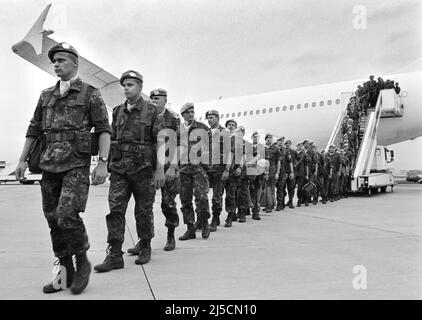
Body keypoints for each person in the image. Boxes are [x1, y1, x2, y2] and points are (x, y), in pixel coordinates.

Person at [16, 43, 111, 294]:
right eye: (54, 61)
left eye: (61, 60)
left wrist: (102, 163)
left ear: (75, 63)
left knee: (67, 215)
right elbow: (34, 129)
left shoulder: (90, 93)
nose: (56, 64)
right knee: (52, 218)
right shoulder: (46, 94)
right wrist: (21, 161)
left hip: (76, 164)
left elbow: (103, 130)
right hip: (49, 164)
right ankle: (65, 271)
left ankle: (82, 263)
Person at [94, 71, 165, 273]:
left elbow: (161, 142)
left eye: (131, 84)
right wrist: (104, 163)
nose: (126, 88)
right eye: (124, 85)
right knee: (115, 210)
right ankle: (115, 254)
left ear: (140, 88)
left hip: (143, 170)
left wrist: (159, 169)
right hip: (119, 169)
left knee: (143, 211)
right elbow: (111, 138)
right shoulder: (117, 111)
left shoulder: (152, 112)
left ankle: (145, 245)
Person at [147, 88, 180, 251]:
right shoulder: (146, 116)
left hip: (167, 166)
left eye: (157, 99)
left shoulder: (173, 119)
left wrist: (173, 167)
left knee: (168, 203)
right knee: (145, 205)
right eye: (152, 98)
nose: (154, 101)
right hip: (148, 166)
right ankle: (144, 240)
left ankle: (171, 235)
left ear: (165, 100)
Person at [178, 103, 211, 240]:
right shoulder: (178, 129)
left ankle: (204, 223)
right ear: (183, 114)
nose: (191, 114)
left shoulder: (202, 128)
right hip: (183, 169)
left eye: (193, 112)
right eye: (188, 112)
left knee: (201, 197)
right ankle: (190, 228)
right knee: (185, 199)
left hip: (199, 169)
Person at [206, 110, 231, 232]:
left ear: (217, 118)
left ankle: (215, 219)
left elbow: (229, 152)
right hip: (206, 168)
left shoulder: (225, 133)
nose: (209, 120)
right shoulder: (206, 132)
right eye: (208, 118)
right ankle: (203, 219)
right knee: (201, 195)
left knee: (217, 195)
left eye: (211, 117)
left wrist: (227, 169)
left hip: (219, 169)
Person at [245, 131, 265, 220]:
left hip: (259, 170)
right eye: (254, 137)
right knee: (248, 188)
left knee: (258, 187)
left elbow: (265, 160)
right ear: (251, 138)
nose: (255, 138)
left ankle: (256, 211)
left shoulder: (262, 147)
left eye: (257, 137)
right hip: (250, 170)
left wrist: (266, 171)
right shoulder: (247, 147)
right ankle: (248, 206)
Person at [260, 134, 279, 213]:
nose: (269, 139)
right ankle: (267, 204)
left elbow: (278, 161)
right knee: (264, 188)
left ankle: (270, 206)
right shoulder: (263, 148)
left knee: (270, 188)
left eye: (270, 138)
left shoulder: (275, 148)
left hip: (272, 170)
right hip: (263, 169)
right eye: (267, 138)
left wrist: (277, 172)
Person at [284, 140, 296, 209]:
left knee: (291, 188)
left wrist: (294, 169)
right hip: (284, 172)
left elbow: (299, 158)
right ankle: (282, 203)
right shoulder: (283, 151)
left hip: (290, 172)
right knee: (282, 188)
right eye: (287, 143)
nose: (288, 144)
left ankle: (290, 202)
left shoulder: (293, 151)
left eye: (289, 143)